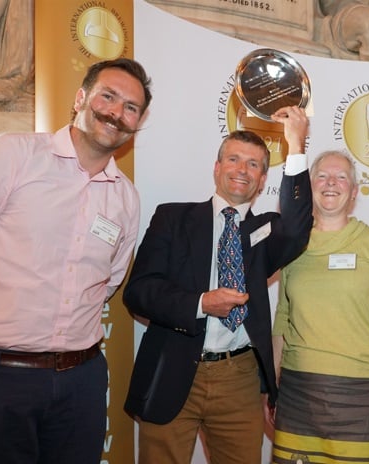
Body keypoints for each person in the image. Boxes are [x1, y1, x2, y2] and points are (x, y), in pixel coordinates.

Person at [0, 57, 152, 463]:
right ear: (80, 98)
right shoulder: (10, 156)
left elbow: (108, 282)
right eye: (108, 97)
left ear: (138, 123)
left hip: (80, 382)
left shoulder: (126, 198)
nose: (116, 112)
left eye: (130, 107)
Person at [123, 106, 313, 464]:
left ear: (262, 178)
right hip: (173, 367)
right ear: (217, 167)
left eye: (254, 164)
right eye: (234, 159)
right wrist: (200, 303)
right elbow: (139, 291)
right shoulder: (172, 218)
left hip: (238, 378)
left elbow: (298, 228)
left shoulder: (268, 228)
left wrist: (296, 147)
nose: (242, 170)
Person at [271, 150, 369, 464]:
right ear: (309, 186)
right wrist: (273, 383)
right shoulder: (293, 246)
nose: (331, 182)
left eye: (341, 177)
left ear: (354, 192)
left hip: (365, 394)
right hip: (298, 393)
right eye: (322, 175)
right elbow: (283, 317)